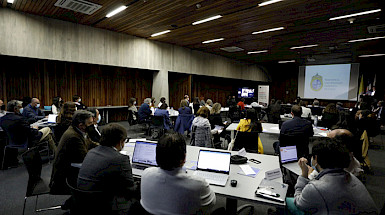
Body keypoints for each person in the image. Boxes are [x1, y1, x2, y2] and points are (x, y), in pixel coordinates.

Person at [288, 139, 377, 214]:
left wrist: (304, 174)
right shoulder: (351, 176)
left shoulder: (316, 188)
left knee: (287, 202)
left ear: (316, 159)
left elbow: (299, 202)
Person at [141, 133, 216, 215]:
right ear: (184, 157)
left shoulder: (146, 174)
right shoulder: (198, 184)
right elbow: (211, 204)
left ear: (157, 155)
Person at [77, 123, 139, 213]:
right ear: (121, 141)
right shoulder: (121, 159)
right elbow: (130, 188)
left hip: (83, 201)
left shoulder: (91, 152)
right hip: (104, 204)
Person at [50, 110, 98, 195]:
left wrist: (105, 146)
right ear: (81, 125)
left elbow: (90, 143)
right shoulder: (73, 137)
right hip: (65, 177)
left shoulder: (77, 130)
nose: (93, 125)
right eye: (90, 123)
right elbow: (85, 159)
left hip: (72, 169)